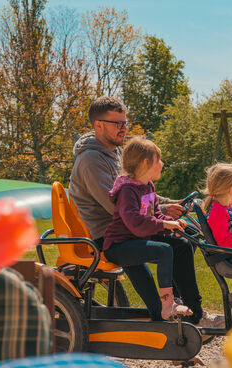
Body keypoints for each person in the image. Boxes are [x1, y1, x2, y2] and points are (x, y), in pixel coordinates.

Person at [69, 96, 222, 327]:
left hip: (129, 227)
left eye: (125, 123)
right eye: (117, 124)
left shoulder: (116, 153)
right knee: (172, 247)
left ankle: (188, 310)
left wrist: (171, 204)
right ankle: (185, 312)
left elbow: (140, 193)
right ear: (98, 125)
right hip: (110, 234)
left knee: (185, 239)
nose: (123, 128)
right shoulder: (91, 160)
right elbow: (118, 207)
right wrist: (162, 214)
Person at [103, 137, 194, 320]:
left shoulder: (148, 186)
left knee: (185, 241)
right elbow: (135, 221)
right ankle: (168, 303)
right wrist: (164, 224)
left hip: (136, 241)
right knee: (164, 250)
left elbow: (155, 215)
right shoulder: (128, 190)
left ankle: (172, 305)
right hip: (119, 245)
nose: (162, 163)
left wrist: (171, 223)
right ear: (146, 162)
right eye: (158, 160)